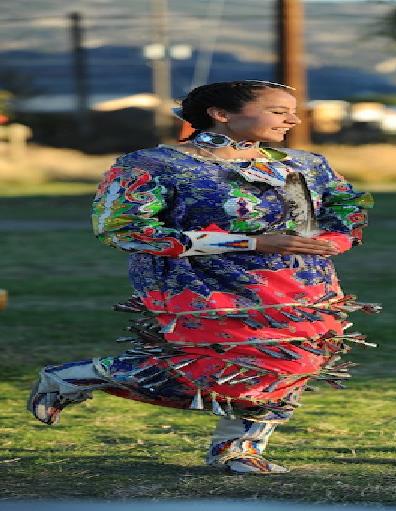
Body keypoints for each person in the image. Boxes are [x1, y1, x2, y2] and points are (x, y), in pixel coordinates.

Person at [27, 80, 377, 474]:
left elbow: (345, 207)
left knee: (299, 359)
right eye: (279, 112)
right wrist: (250, 243)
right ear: (221, 114)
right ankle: (82, 377)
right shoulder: (154, 165)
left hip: (302, 279)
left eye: (292, 111)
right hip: (199, 280)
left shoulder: (307, 164)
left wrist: (332, 240)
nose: (293, 120)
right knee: (222, 363)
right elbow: (122, 229)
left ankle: (238, 448)